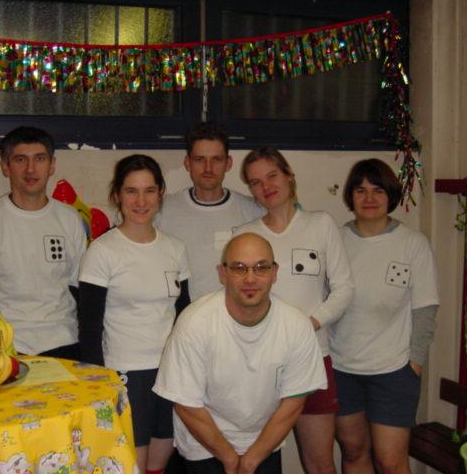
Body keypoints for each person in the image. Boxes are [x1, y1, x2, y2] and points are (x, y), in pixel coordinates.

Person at [154, 232, 327, 474]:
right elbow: (186, 404)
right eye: (239, 268)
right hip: (203, 444)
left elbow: (293, 404)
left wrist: (250, 461)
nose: (250, 278)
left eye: (261, 268)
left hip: (264, 442)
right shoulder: (194, 323)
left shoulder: (296, 326)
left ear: (275, 272)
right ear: (223, 273)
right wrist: (230, 460)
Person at [234, 147, 354, 474]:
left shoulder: (321, 224)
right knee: (254, 460)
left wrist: (310, 324)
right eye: (256, 182)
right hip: (260, 362)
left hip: (312, 358)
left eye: (272, 176)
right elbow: (239, 296)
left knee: (319, 464)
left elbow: (344, 289)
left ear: (289, 176)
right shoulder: (245, 235)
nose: (266, 186)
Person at [78, 154, 191, 474]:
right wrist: (100, 384)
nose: (141, 201)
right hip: (125, 374)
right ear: (117, 195)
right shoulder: (102, 251)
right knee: (133, 465)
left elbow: (184, 314)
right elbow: (89, 327)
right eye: (131, 191)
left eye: (149, 191)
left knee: (160, 461)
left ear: (160, 193)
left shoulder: (175, 248)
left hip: (169, 372)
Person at [329, 158, 439, 474]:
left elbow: (426, 309)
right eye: (360, 190)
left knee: (390, 461)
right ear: (350, 196)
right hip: (342, 368)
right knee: (353, 452)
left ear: (391, 194)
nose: (369, 198)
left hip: (394, 371)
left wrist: (414, 364)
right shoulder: (335, 240)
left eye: (378, 190)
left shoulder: (413, 244)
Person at [0, 126, 86, 360]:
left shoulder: (70, 219)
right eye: (20, 159)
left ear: (52, 165)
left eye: (39, 159)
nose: (30, 169)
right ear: (5, 166)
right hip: (2, 346)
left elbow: (78, 287)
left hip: (62, 341)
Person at [155, 121, 264, 301]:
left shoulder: (252, 211)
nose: (208, 168)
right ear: (188, 163)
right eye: (199, 160)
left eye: (216, 159)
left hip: (235, 313)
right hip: (180, 312)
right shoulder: (162, 210)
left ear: (228, 163)